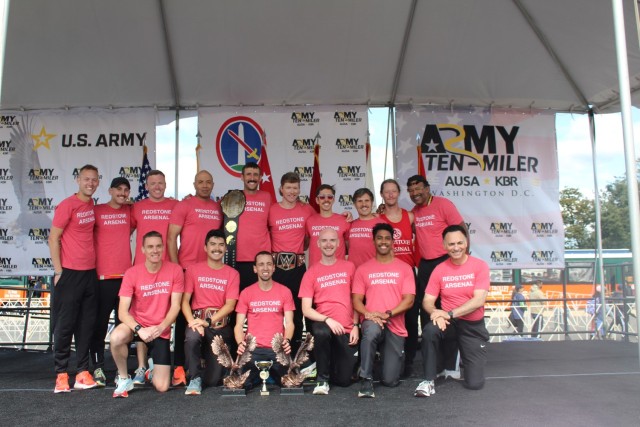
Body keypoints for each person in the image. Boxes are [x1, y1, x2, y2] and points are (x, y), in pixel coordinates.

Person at [416, 224, 490, 397]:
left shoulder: (480, 266)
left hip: (471, 326)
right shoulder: (440, 269)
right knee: (429, 330)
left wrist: (448, 313)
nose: (456, 247)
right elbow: (427, 301)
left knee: (474, 384)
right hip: (448, 323)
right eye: (451, 244)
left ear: (466, 243)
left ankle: (457, 356)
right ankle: (428, 381)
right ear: (444, 245)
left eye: (459, 243)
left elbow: (478, 300)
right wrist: (435, 312)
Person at [110, 231, 184, 398]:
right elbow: (122, 312)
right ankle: (123, 378)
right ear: (142, 249)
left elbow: (175, 306)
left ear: (164, 248)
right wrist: (139, 329)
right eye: (150, 247)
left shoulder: (175, 270)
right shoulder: (132, 273)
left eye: (158, 246)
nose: (155, 250)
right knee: (116, 338)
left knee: (162, 387)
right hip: (137, 326)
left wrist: (162, 327)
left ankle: (151, 368)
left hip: (159, 329)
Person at [167, 170, 223, 387]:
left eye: (209, 182)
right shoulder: (183, 206)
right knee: (183, 319)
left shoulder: (218, 207)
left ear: (213, 184)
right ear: (194, 184)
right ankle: (180, 367)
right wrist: (176, 267)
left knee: (209, 316)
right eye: (201, 182)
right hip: (187, 268)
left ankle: (204, 361)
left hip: (211, 272)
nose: (205, 185)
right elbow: (171, 237)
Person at [48, 164, 100, 393]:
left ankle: (81, 372)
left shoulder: (91, 204)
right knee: (64, 326)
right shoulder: (67, 205)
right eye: (86, 179)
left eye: (94, 180)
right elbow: (53, 238)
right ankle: (61, 374)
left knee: (86, 325)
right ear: (78, 180)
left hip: (90, 273)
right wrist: (59, 271)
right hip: (69, 274)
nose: (90, 183)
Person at [408, 174, 466, 378]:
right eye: (411, 190)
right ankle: (434, 365)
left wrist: (462, 261)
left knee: (449, 313)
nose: (415, 193)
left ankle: (452, 363)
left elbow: (461, 230)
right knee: (428, 314)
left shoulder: (443, 204)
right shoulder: (415, 212)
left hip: (446, 262)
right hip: (425, 265)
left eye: (419, 189)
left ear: (427, 188)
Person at [352, 223, 415, 398]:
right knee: (371, 332)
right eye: (379, 238)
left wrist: (387, 314)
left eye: (387, 238)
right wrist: (369, 314)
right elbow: (356, 300)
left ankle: (373, 360)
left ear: (393, 241)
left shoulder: (405, 268)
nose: (383, 241)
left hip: (394, 323)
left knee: (390, 381)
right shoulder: (363, 269)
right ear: (373, 241)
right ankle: (366, 378)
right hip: (372, 321)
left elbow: (409, 300)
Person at [130, 170, 178, 384]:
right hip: (141, 271)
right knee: (141, 316)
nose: (157, 186)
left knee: (164, 315)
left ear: (165, 185)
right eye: (153, 183)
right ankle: (141, 366)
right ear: (146, 186)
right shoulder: (137, 208)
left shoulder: (175, 205)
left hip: (166, 271)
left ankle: (160, 362)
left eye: (160, 183)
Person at [299, 228, 359, 395]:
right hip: (324, 326)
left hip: (345, 329)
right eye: (324, 240)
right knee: (321, 331)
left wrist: (355, 325)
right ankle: (322, 380)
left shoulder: (349, 267)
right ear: (318, 244)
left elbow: (356, 300)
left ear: (339, 243)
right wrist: (327, 319)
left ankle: (320, 363)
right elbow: (306, 309)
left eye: (332, 240)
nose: (328, 244)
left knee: (344, 381)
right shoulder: (311, 272)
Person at [182, 229, 239, 395]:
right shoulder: (193, 270)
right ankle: (194, 378)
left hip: (219, 326)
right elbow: (184, 301)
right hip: (197, 322)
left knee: (214, 381)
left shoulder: (232, 274)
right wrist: (191, 321)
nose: (217, 248)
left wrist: (208, 321)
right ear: (205, 247)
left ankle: (204, 367)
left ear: (225, 249)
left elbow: (230, 305)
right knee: (191, 337)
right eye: (213, 244)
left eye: (221, 245)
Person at [89, 176, 133, 387]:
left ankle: (120, 370)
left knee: (123, 328)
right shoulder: (97, 211)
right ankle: (97, 366)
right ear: (109, 191)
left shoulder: (130, 211)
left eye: (126, 190)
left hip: (126, 279)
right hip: (102, 278)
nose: (122, 193)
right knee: (99, 324)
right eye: (118, 189)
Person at [268, 172, 316, 353]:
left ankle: (298, 353)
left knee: (297, 313)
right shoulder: (271, 209)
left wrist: (345, 218)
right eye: (288, 187)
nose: (292, 191)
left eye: (295, 188)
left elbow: (320, 225)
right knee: (275, 311)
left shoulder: (307, 209)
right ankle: (274, 351)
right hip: (277, 268)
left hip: (297, 268)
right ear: (281, 189)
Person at [234, 251, 295, 389]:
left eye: (269, 264)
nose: (265, 268)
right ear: (255, 268)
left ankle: (269, 376)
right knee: (241, 385)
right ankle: (263, 376)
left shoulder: (285, 291)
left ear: (274, 267)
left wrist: (287, 341)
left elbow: (290, 323)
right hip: (253, 350)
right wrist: (240, 343)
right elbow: (238, 325)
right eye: (261, 264)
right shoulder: (246, 293)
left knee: (290, 385)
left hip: (277, 349)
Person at [379, 179, 417, 375]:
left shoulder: (409, 216)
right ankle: (385, 360)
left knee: (410, 319)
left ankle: (408, 361)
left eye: (394, 191)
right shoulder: (378, 218)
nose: (391, 195)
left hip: (407, 273)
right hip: (385, 274)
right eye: (387, 192)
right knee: (385, 317)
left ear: (399, 193)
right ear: (382, 195)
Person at [235, 162, 273, 290]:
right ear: (242, 177)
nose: (252, 178)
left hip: (262, 260)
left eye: (256, 175)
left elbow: (280, 213)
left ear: (260, 178)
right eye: (249, 174)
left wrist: (299, 202)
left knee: (261, 299)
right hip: (238, 258)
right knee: (238, 300)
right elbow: (214, 207)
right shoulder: (233, 197)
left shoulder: (267, 197)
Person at [306, 184, 351, 267]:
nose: (326, 200)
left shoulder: (344, 220)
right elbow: (305, 245)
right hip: (316, 272)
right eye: (322, 197)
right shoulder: (309, 221)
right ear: (317, 200)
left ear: (333, 200)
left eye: (329, 197)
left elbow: (351, 248)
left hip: (338, 272)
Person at [346, 188, 385, 268]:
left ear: (372, 203)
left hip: (375, 272)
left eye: (367, 200)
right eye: (359, 201)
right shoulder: (350, 225)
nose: (364, 204)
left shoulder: (382, 224)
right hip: (355, 274)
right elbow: (347, 248)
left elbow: (388, 251)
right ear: (354, 204)